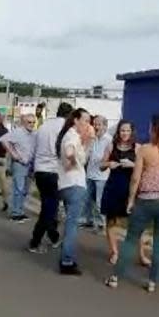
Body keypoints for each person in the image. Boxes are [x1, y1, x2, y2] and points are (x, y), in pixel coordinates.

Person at [106, 114, 159, 293]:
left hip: (148, 199)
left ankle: (116, 277)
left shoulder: (146, 150)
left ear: (156, 129)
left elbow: (135, 178)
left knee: (131, 238)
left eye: (151, 127)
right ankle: (152, 282)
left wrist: (131, 200)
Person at [101, 120, 149, 266]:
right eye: (122, 130)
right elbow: (101, 166)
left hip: (131, 190)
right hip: (113, 187)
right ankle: (115, 252)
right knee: (111, 222)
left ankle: (141, 255)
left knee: (136, 225)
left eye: (127, 131)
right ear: (118, 132)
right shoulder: (110, 146)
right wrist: (109, 164)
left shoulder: (138, 148)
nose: (125, 133)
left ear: (132, 132)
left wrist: (133, 165)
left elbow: (146, 168)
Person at [29, 102, 73, 253]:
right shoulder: (65, 128)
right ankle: (36, 241)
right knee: (50, 208)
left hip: (39, 169)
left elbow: (35, 148)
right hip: (53, 170)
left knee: (48, 206)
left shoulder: (44, 126)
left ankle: (53, 236)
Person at [56, 108, 92, 275]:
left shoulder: (72, 136)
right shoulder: (71, 136)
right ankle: (67, 261)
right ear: (76, 120)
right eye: (85, 120)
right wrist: (71, 161)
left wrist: (86, 141)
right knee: (72, 225)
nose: (87, 124)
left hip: (66, 184)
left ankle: (66, 255)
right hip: (75, 184)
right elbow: (70, 151)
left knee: (70, 223)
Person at [0, 114, 37, 223]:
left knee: (25, 190)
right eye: (29, 122)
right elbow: (3, 140)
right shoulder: (18, 132)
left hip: (30, 164)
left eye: (33, 122)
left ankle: (20, 211)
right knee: (18, 189)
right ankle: (15, 213)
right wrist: (13, 154)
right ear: (24, 122)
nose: (32, 124)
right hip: (19, 164)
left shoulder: (34, 134)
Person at [83, 116, 112, 232]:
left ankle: (101, 223)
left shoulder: (109, 140)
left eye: (99, 124)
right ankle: (88, 220)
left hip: (102, 176)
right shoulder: (92, 138)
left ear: (105, 126)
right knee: (86, 199)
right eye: (94, 124)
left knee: (100, 201)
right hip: (90, 173)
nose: (96, 127)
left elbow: (107, 157)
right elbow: (87, 154)